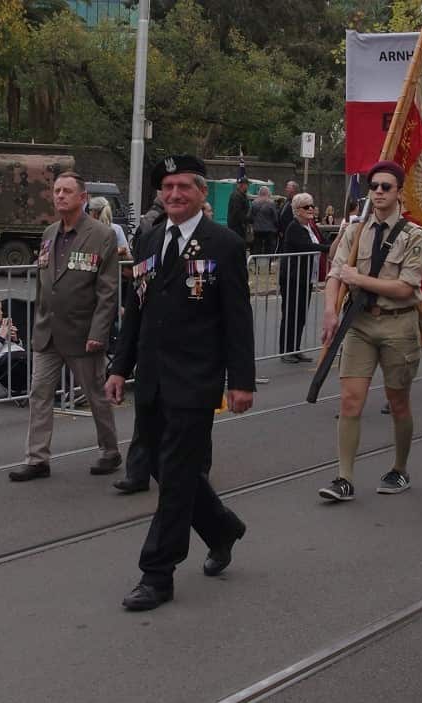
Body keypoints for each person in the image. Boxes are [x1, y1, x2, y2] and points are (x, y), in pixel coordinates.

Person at [107, 154, 255, 611]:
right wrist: (119, 366)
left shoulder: (224, 244)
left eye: (183, 187)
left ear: (201, 192)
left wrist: (241, 381)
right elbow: (136, 308)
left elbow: (238, 318)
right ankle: (221, 527)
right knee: (160, 465)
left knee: (175, 477)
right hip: (152, 377)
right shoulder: (150, 238)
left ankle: (157, 573)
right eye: (167, 187)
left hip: (195, 379)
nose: (174, 194)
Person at [318, 160, 422, 503]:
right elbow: (335, 274)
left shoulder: (414, 235)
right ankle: (344, 477)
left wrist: (359, 279)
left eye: (386, 187)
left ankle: (399, 468)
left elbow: (406, 287)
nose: (379, 192)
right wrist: (330, 311)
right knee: (350, 400)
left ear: (399, 193)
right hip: (360, 324)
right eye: (374, 186)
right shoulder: (355, 232)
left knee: (398, 402)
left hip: (398, 323)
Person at [9, 171, 121, 482]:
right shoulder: (49, 233)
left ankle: (109, 451)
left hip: (83, 333)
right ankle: (37, 458)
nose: (59, 195)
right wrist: (38, 322)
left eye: (67, 191)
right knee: (39, 394)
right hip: (47, 332)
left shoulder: (102, 235)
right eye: (56, 190)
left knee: (95, 394)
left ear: (83, 198)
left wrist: (99, 332)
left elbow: (107, 291)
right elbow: (44, 282)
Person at [279, 192, 329, 363]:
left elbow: (323, 240)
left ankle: (296, 349)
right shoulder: (294, 227)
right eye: (306, 207)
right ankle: (286, 351)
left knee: (301, 314)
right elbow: (308, 246)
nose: (311, 209)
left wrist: (337, 238)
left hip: (306, 277)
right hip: (292, 277)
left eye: (312, 206)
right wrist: (326, 248)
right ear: (297, 210)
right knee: (291, 313)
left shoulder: (311, 226)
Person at [249, 186, 279, 255]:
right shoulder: (271, 203)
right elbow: (275, 218)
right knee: (269, 248)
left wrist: (254, 223)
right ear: (267, 193)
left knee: (257, 246)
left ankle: (256, 260)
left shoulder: (254, 203)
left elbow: (250, 217)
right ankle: (268, 260)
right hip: (269, 230)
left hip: (257, 229)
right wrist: (277, 227)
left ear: (259, 193)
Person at [227, 177, 251, 244]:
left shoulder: (241, 195)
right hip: (237, 226)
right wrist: (245, 221)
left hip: (238, 226)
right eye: (247, 185)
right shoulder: (237, 196)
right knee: (237, 243)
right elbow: (237, 212)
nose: (248, 187)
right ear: (243, 185)